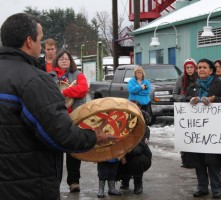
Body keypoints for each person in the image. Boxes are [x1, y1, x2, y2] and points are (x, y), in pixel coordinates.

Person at [0, 13, 115, 200]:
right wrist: (93, 136)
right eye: (40, 39)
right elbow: (61, 136)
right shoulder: (34, 80)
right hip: (27, 186)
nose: (41, 45)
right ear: (29, 41)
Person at [183, 58, 221, 199]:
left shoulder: (220, 85)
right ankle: (202, 187)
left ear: (211, 70)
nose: (201, 69)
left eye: (204, 67)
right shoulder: (193, 86)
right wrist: (189, 100)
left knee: (213, 161)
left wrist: (214, 99)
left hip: (213, 133)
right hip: (197, 133)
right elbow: (184, 101)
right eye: (199, 67)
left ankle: (217, 189)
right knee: (199, 161)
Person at [49, 50, 88, 192]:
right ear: (57, 61)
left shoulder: (78, 75)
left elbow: (83, 89)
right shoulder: (50, 76)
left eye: (67, 59)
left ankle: (74, 181)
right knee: (55, 151)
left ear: (71, 61)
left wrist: (64, 92)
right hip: (57, 117)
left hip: (76, 117)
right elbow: (47, 93)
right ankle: (54, 182)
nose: (64, 61)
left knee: (73, 150)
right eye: (61, 59)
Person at [117, 101, 152, 195]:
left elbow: (140, 148)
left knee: (136, 159)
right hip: (122, 153)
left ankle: (138, 184)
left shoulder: (145, 129)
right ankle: (124, 180)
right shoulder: (120, 126)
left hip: (140, 156)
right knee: (110, 159)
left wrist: (125, 153)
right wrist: (121, 155)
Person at [172, 58, 197, 169]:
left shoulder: (198, 79)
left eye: (191, 67)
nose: (189, 69)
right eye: (187, 68)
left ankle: (197, 157)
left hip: (197, 109)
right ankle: (186, 159)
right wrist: (182, 99)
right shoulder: (181, 79)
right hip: (185, 109)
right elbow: (175, 93)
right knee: (186, 134)